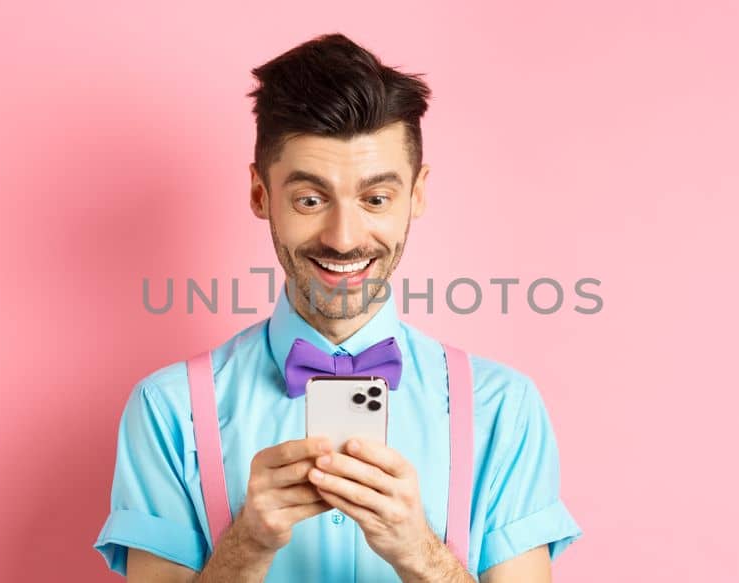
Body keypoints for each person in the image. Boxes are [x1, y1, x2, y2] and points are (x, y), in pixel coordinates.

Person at [93, 33, 582, 582]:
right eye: (310, 199)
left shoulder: (502, 409)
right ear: (261, 195)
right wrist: (248, 545)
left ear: (416, 195)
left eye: (375, 199)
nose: (344, 239)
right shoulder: (169, 409)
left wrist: (420, 553)